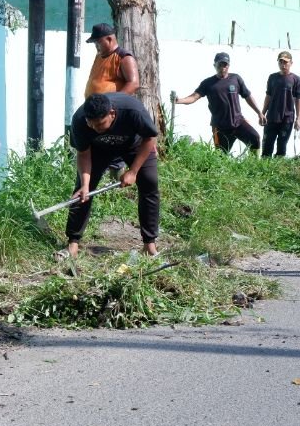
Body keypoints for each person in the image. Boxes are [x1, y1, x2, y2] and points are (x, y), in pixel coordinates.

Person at [65, 92, 159, 258]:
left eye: (100, 125)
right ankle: (73, 242)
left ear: (112, 114)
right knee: (82, 190)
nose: (96, 129)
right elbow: (83, 153)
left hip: (134, 145)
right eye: (91, 125)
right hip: (98, 149)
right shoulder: (80, 120)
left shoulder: (132, 110)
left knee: (149, 183)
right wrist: (85, 184)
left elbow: (149, 138)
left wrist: (134, 171)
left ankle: (149, 244)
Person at [172, 52, 266, 154]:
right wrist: (179, 100)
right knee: (221, 156)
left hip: (238, 123)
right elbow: (194, 97)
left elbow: (247, 96)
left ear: (229, 65)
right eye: (220, 64)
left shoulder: (236, 79)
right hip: (220, 127)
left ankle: (253, 165)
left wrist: (259, 113)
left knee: (255, 138)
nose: (223, 68)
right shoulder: (208, 83)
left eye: (225, 65)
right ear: (215, 65)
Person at [261, 51, 300, 157]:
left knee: (282, 147)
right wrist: (262, 113)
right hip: (272, 117)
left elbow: (298, 99)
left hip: (287, 118)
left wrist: (298, 118)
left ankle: (278, 171)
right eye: (281, 62)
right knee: (267, 146)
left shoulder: (296, 80)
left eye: (286, 62)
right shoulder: (272, 77)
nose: (283, 65)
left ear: (291, 63)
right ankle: (264, 170)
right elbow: (268, 96)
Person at [83, 23, 139, 97]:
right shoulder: (98, 57)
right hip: (93, 106)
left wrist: (114, 102)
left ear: (109, 39)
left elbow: (133, 84)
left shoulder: (124, 58)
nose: (96, 46)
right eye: (95, 43)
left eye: (98, 42)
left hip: (112, 107)